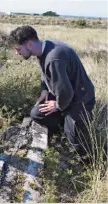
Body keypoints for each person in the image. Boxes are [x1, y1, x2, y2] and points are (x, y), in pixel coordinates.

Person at [9, 25, 95, 155]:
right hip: (64, 94)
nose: (17, 53)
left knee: (74, 139)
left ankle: (87, 162)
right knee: (36, 113)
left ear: (30, 44)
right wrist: (44, 89)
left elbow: (67, 92)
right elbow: (45, 73)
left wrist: (57, 105)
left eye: (18, 49)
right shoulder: (44, 47)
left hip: (80, 99)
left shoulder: (53, 58)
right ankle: (60, 124)